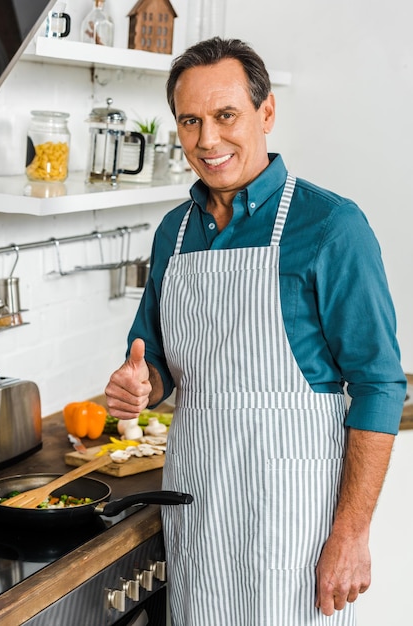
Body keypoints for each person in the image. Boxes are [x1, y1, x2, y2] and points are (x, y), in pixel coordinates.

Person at [105, 37, 406, 626]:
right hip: (198, 512)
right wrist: (137, 386)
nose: (207, 140)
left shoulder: (331, 226)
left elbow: (380, 385)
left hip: (294, 525)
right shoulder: (174, 232)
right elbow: (157, 361)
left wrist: (351, 534)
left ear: (266, 114)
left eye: (225, 116)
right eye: (190, 121)